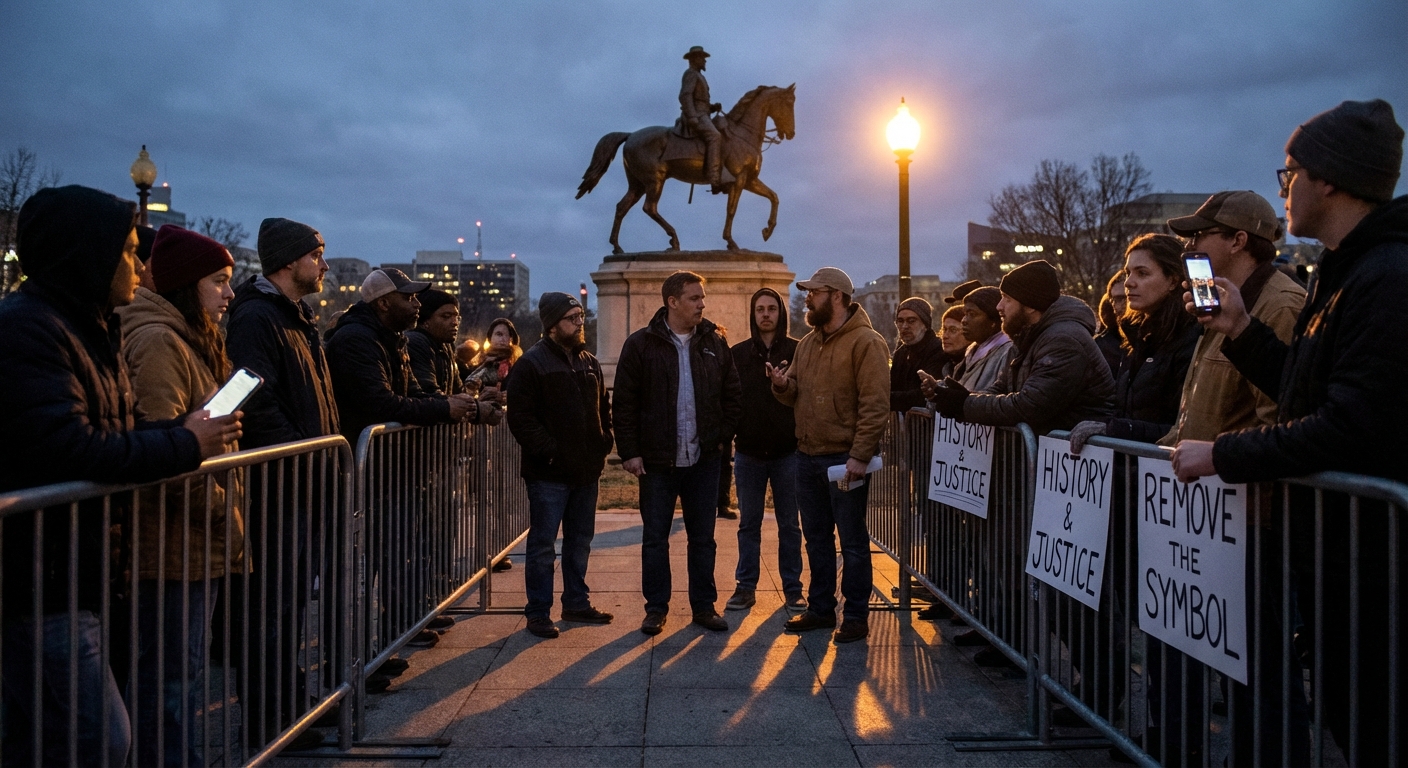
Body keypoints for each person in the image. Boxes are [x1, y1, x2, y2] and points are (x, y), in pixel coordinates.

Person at [1173, 99, 1407, 766]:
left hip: (1369, 568)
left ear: (1328, 179)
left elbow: (1345, 426)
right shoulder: (1343, 272)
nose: (1286, 191)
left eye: (1290, 173)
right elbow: (1306, 390)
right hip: (1339, 558)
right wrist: (1240, 332)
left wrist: (1223, 453)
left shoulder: (1384, 280)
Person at [0, 185, 237, 767]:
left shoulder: (90, 326)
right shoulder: (32, 329)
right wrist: (185, 442)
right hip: (42, 576)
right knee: (101, 734)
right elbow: (69, 447)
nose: (140, 265)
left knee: (59, 734)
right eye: (130, 251)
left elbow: (121, 429)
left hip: (84, 569)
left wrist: (177, 435)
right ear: (88, 255)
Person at [118, 225, 246, 767]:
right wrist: (225, 515)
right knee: (170, 682)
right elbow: (167, 446)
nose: (228, 294)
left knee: (180, 678)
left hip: (191, 541)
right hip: (172, 546)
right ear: (185, 285)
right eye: (218, 281)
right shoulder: (158, 340)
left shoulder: (186, 337)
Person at [224, 217, 341, 748]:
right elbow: (253, 395)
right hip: (279, 483)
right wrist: (303, 452)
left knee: (290, 606)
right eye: (316, 254)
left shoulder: (295, 317)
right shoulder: (256, 318)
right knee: (269, 608)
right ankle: (271, 720)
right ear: (289, 262)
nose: (323, 264)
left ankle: (290, 710)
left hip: (304, 480)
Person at [614, 271, 740, 636]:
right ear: (672, 302)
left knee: (703, 538)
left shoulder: (715, 342)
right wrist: (630, 452)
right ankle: (656, 609)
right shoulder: (640, 345)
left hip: (703, 460)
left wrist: (720, 437)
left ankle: (704, 607)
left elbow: (733, 396)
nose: (702, 304)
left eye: (702, 298)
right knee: (655, 538)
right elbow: (624, 404)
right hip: (657, 462)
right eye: (694, 298)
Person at [770, 267, 890, 644]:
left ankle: (855, 615)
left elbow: (875, 406)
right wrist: (782, 386)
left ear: (836, 296)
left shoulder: (866, 343)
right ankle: (821, 609)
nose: (807, 297)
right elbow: (797, 394)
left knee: (852, 541)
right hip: (806, 456)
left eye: (814, 292)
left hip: (844, 460)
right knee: (816, 538)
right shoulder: (807, 343)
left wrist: (859, 456)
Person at [1157, 191, 1307, 447]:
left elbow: (1281, 423)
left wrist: (1216, 457)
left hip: (1236, 483)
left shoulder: (1282, 306)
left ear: (1237, 241)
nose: (1189, 246)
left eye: (1199, 235)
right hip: (1204, 483)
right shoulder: (1222, 305)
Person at [507, 293, 615, 639]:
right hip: (549, 474)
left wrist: (604, 442)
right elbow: (522, 419)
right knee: (542, 546)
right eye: (572, 318)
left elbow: (603, 408)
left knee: (580, 541)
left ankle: (576, 602)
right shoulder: (532, 364)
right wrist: (551, 451)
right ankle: (538, 612)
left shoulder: (589, 362)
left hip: (586, 471)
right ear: (552, 325)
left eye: (581, 316)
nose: (580, 323)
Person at [923, 259, 1115, 435]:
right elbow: (1001, 389)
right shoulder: (1025, 338)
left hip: (1076, 460)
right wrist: (954, 395)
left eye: (1007, 298)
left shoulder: (1064, 340)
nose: (999, 307)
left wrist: (963, 403)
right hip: (1051, 456)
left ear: (1030, 305)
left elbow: (1029, 406)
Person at [1069, 234, 1201, 449]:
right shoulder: (1137, 335)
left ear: (1173, 280)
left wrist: (1116, 430)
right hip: (1137, 473)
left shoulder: (1192, 337)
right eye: (1129, 272)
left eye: (1142, 273)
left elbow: (1187, 430)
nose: (1129, 282)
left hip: (1168, 475)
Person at [324, 268, 480, 444]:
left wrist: (451, 401)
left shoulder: (394, 339)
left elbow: (413, 392)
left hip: (382, 453)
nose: (418, 304)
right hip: (361, 455)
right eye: (408, 298)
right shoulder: (356, 339)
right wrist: (445, 408)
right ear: (384, 303)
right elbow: (381, 403)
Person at [725, 288, 804, 611]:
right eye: (760, 309)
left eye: (772, 308)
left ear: (780, 313)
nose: (766, 314)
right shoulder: (738, 353)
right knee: (748, 524)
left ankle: (793, 588)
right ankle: (745, 587)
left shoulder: (798, 351)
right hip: (749, 452)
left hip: (788, 452)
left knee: (789, 524)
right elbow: (729, 399)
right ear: (753, 314)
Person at [890, 298, 950, 413]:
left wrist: (885, 398)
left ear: (925, 324)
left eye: (911, 321)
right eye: (900, 321)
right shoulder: (901, 352)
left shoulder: (938, 349)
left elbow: (923, 395)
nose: (904, 326)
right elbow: (892, 385)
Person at [680, 46, 723, 188]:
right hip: (696, 115)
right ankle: (714, 177)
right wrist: (692, 116)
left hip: (703, 113)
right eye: (701, 58)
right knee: (715, 136)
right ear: (694, 59)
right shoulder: (691, 74)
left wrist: (712, 107)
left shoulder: (700, 76)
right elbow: (685, 96)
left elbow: (700, 101)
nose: (705, 61)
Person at [955, 286, 1012, 393]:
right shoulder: (973, 349)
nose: (963, 320)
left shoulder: (1007, 352)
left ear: (993, 321)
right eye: (965, 314)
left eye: (972, 314)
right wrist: (936, 387)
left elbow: (999, 397)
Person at [1093, 270, 1127, 377]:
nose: (1117, 306)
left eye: (1123, 298)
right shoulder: (1101, 347)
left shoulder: (1156, 340)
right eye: (1113, 300)